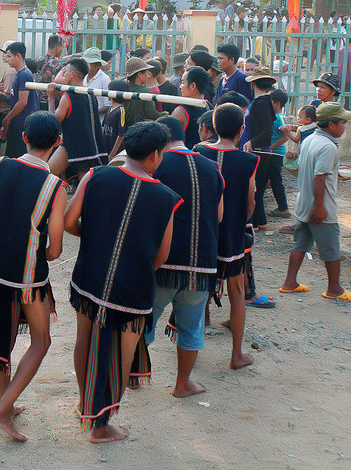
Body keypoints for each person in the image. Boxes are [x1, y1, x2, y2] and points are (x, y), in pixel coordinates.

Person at [64, 121, 180, 442]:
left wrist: (95, 239)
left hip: (88, 277)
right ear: (156, 156)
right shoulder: (167, 198)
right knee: (120, 357)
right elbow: (161, 256)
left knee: (84, 342)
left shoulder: (94, 176)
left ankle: (84, 403)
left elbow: (69, 222)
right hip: (132, 287)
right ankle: (100, 427)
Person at [0, 111, 66, 441]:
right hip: (28, 278)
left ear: (23, 137)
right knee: (40, 342)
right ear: (57, 143)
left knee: (1, 342)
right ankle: (2, 409)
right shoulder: (55, 186)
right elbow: (55, 250)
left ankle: (6, 405)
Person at [148, 115, 223, 397]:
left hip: (162, 263)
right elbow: (218, 215)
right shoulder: (212, 167)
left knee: (143, 322)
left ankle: (134, 374)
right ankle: (182, 384)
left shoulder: (155, 165)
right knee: (191, 329)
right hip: (201, 267)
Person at [196, 103, 259, 369]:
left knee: (196, 291)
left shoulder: (198, 151)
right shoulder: (249, 160)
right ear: (241, 130)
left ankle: (192, 351)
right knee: (236, 292)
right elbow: (251, 201)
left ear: (210, 126)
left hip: (203, 233)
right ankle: (236, 355)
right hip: (232, 233)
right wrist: (241, 220)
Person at [279, 102, 351, 301]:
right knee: (330, 247)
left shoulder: (311, 140)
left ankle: (290, 282)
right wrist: (320, 208)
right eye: (343, 123)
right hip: (320, 205)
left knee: (300, 244)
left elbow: (314, 171)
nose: (344, 127)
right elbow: (319, 178)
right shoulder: (328, 146)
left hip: (303, 202)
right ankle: (334, 288)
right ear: (332, 124)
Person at [49, 57, 107, 179]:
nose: (63, 74)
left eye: (66, 72)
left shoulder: (68, 97)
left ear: (72, 74)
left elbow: (52, 123)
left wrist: (51, 98)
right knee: (85, 186)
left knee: (47, 175)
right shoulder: (91, 94)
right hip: (90, 146)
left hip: (73, 145)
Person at [244, 67, 278, 230]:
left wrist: (251, 142)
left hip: (258, 151)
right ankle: (261, 221)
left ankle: (254, 223)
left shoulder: (261, 102)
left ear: (254, 83)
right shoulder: (264, 101)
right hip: (262, 151)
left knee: (255, 187)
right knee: (258, 186)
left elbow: (267, 131)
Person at [0, 42, 40, 158]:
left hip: (22, 125)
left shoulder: (24, 75)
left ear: (18, 56)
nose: (7, 60)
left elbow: (22, 102)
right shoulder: (19, 73)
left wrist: (7, 119)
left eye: (9, 56)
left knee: (20, 157)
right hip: (17, 124)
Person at [171, 67, 214, 149]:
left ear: (193, 86)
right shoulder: (211, 108)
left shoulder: (180, 112)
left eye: (183, 82)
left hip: (185, 159)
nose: (180, 86)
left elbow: (170, 142)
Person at [123, 57, 166, 129]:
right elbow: (151, 114)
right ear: (139, 74)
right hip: (140, 130)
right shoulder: (144, 91)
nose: (148, 76)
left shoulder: (123, 88)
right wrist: (165, 114)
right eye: (147, 73)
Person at [102, 79, 129, 158]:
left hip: (115, 153)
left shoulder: (121, 111)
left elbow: (121, 135)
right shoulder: (109, 109)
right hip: (106, 149)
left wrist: (112, 154)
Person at [81, 47, 110, 115]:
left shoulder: (104, 79)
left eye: (88, 63)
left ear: (98, 65)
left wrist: (92, 113)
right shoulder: (84, 77)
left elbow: (108, 105)